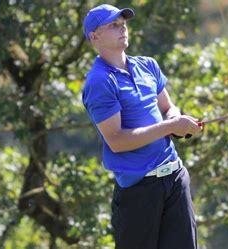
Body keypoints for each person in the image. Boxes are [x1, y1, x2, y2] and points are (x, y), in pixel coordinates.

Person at [81, 4, 202, 249]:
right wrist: (169, 127)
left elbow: (168, 107)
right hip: (138, 190)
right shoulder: (100, 81)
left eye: (123, 23)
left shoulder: (148, 65)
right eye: (113, 25)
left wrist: (175, 121)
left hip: (174, 177)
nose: (122, 28)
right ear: (95, 36)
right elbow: (117, 141)